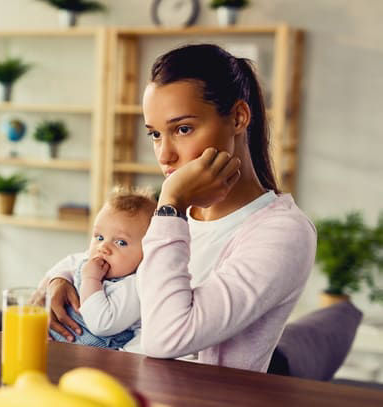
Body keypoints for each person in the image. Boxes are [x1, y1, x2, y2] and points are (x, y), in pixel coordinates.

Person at [35, 43, 316, 372]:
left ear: (239, 117)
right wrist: (60, 279)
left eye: (183, 129)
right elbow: (107, 254)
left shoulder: (281, 232)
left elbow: (166, 339)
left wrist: (170, 207)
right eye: (155, 134)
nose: (164, 155)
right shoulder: (176, 213)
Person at [46, 191, 156, 349]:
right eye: (99, 237)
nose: (103, 247)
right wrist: (61, 278)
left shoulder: (135, 286)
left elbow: (102, 324)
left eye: (120, 242)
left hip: (89, 355)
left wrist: (91, 280)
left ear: (147, 252)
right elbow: (69, 268)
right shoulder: (89, 264)